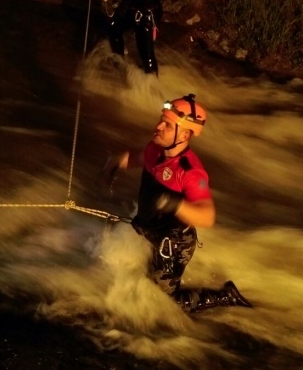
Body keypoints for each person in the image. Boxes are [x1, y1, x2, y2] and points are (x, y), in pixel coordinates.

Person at [105, 94, 252, 313]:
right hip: (150, 229)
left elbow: (207, 217)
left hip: (173, 243)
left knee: (165, 303)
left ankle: (225, 295)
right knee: (144, 281)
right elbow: (139, 158)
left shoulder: (190, 172)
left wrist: (174, 203)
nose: (158, 126)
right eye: (161, 120)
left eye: (167, 124)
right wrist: (115, 163)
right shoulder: (155, 149)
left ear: (184, 134)